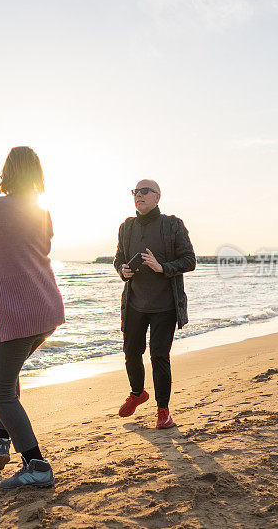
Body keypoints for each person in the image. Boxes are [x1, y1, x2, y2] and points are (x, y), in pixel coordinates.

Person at [0, 146, 65, 489]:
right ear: (36, 174)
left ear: (6, 172)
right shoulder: (41, 212)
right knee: (8, 378)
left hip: (18, 314)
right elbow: (42, 250)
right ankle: (0, 443)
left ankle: (36, 464)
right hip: (46, 310)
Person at [113, 179, 196, 428]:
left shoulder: (172, 225)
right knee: (131, 353)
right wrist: (123, 270)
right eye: (135, 192)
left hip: (165, 305)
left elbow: (190, 260)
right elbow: (118, 258)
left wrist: (163, 267)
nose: (138, 195)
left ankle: (163, 411)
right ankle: (138, 393)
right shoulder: (126, 227)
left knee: (159, 356)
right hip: (135, 304)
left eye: (144, 191)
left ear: (157, 197)